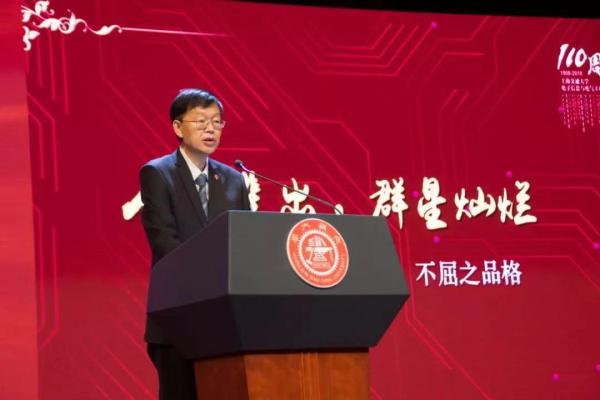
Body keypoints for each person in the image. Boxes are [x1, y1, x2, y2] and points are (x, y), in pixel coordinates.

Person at [139, 88, 251, 399]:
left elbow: (243, 243)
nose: (210, 129)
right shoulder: (157, 173)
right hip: (178, 316)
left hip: (224, 322)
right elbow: (164, 241)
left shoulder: (234, 180)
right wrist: (212, 276)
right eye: (201, 122)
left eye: (216, 122)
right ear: (178, 127)